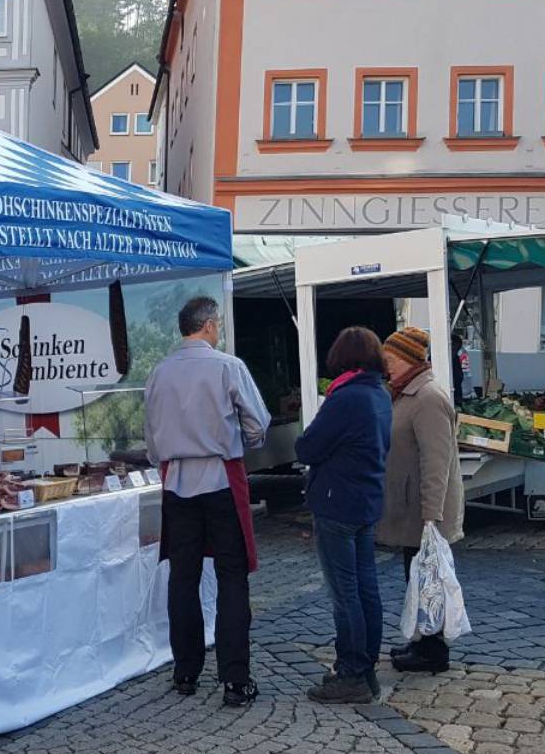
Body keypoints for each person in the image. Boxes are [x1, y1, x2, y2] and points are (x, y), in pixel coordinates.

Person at [145, 296, 271, 707]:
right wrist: (242, 442)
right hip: (219, 476)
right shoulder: (226, 366)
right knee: (232, 578)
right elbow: (258, 422)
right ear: (210, 326)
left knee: (183, 578)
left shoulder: (158, 373)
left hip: (177, 481)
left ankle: (185, 672)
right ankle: (235, 679)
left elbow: (150, 440)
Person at [295, 328, 392, 704]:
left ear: (341, 356)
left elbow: (307, 447)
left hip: (337, 504)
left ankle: (350, 672)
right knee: (366, 589)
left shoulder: (345, 398)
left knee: (345, 592)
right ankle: (366, 671)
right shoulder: (379, 394)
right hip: (367, 501)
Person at [377, 327, 464, 674]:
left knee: (430, 578)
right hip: (413, 508)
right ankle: (423, 640)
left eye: (391, 361)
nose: (387, 367)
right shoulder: (404, 393)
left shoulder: (428, 397)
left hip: (427, 511)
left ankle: (433, 651)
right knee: (419, 577)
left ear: (410, 359)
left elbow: (436, 461)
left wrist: (432, 515)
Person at [451, 334, 465, 406]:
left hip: (456, 395)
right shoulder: (436, 359)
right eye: (454, 349)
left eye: (457, 349)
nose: (455, 352)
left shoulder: (455, 358)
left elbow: (459, 376)